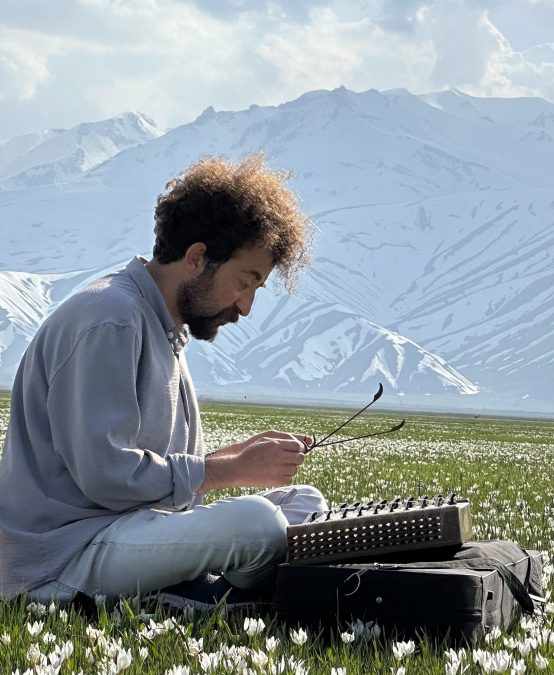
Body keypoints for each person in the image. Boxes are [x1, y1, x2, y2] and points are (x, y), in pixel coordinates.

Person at [0, 153, 328, 602]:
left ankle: (202, 589)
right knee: (259, 526)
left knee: (305, 503)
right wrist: (224, 471)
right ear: (197, 258)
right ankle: (220, 596)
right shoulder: (111, 318)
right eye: (245, 281)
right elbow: (107, 477)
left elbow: (144, 471)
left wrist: (236, 456)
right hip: (67, 553)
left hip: (127, 532)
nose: (246, 305)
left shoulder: (161, 325)